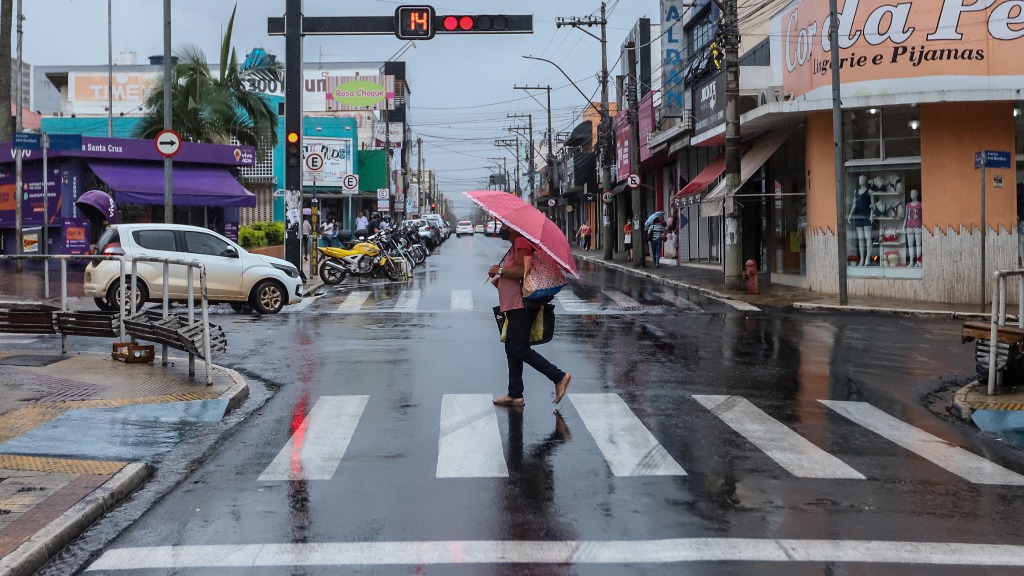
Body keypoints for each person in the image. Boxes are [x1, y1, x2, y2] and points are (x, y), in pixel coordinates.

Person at [487, 224, 572, 407]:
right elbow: (516, 274)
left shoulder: (521, 242)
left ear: (514, 228)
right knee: (512, 348)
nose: (501, 228)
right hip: (513, 304)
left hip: (521, 304)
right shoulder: (516, 243)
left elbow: (521, 271)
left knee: (519, 348)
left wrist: (499, 270)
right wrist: (499, 279)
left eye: (504, 225)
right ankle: (515, 394)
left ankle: (559, 376)